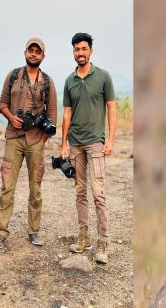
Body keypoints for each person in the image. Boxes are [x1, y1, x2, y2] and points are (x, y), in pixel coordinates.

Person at [0, 37, 57, 249]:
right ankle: (1, 232)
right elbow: (1, 103)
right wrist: (11, 117)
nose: (34, 54)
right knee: (7, 186)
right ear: (25, 53)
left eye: (38, 52)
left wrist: (44, 139)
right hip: (14, 138)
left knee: (35, 188)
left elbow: (53, 113)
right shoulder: (13, 76)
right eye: (31, 51)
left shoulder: (47, 82)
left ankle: (34, 231)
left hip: (36, 140)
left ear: (43, 56)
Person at [61, 32, 116, 264]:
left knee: (98, 193)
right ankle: (83, 238)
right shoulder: (69, 81)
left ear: (91, 51)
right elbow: (67, 113)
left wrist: (110, 140)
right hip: (75, 144)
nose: (80, 53)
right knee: (79, 192)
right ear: (73, 52)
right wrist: (63, 143)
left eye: (84, 49)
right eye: (76, 49)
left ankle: (103, 242)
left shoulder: (103, 76)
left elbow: (111, 108)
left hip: (95, 143)